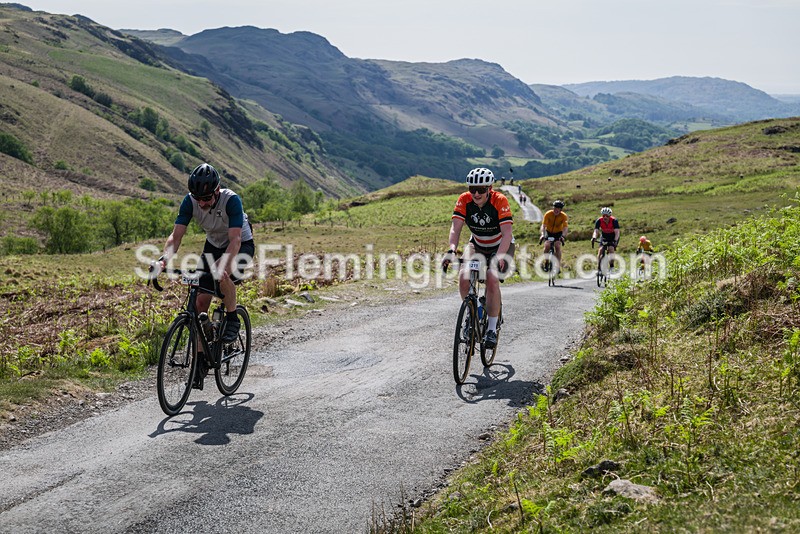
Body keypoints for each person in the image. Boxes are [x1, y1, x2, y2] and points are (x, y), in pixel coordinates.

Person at [156, 163, 255, 388]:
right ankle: (200, 361)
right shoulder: (189, 201)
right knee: (200, 302)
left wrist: (223, 264)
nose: (201, 203)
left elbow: (235, 240)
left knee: (222, 274)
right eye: (197, 198)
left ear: (217, 190)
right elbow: (176, 236)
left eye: (206, 198)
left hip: (240, 244)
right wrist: (163, 260)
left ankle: (232, 318)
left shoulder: (231, 200)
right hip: (213, 245)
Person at [442, 168, 514, 349]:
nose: (476, 194)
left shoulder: (500, 200)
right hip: (477, 244)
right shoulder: (464, 200)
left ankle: (491, 329)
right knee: (463, 277)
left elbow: (507, 233)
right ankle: (471, 314)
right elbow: (455, 228)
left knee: (491, 277)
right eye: (472, 189)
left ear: (489, 188)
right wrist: (451, 250)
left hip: (501, 245)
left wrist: (499, 257)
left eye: (481, 189)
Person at [540, 200, 568, 272]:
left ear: (561, 210)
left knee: (557, 246)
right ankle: (546, 262)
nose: (556, 210)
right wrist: (542, 234)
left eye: (558, 209)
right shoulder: (548, 214)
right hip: (548, 232)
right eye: (555, 208)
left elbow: (565, 228)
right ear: (553, 208)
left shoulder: (563, 216)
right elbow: (543, 226)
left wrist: (563, 236)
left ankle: (557, 266)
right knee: (547, 246)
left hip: (558, 233)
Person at [592, 207, 620, 272]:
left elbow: (617, 232)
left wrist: (615, 241)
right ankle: (599, 268)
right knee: (600, 251)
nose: (605, 217)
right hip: (604, 236)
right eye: (603, 215)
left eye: (607, 216)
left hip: (613, 236)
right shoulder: (599, 220)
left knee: (611, 249)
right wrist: (594, 237)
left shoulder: (614, 221)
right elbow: (596, 231)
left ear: (609, 216)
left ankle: (612, 266)